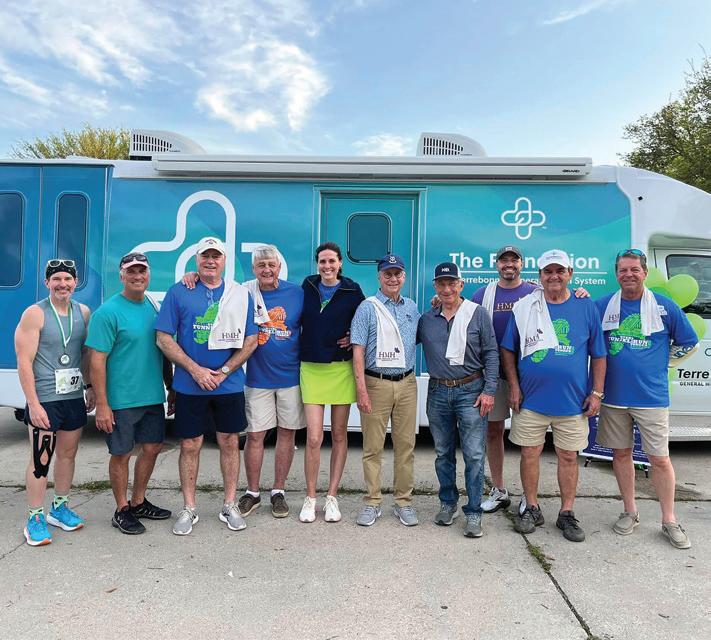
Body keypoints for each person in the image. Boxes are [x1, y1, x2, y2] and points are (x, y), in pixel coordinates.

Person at [500, 249, 606, 542]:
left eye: (560, 270)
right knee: (529, 453)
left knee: (568, 456)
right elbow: (508, 349)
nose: (554, 276)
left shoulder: (586, 307)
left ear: (570, 273)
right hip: (531, 400)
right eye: (548, 271)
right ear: (540, 276)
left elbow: (599, 354)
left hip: (572, 401)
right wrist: (514, 385)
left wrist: (597, 392)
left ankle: (567, 512)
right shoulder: (525, 307)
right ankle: (531, 507)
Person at [596, 249, 699, 549]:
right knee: (620, 455)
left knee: (659, 459)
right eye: (623, 270)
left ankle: (669, 520)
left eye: (634, 269)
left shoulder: (665, 306)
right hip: (614, 397)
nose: (628, 274)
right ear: (616, 274)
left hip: (651, 398)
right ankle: (630, 511)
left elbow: (689, 341)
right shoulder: (603, 305)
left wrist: (662, 363)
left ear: (644, 272)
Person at [156, 237, 258, 535]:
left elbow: (251, 340)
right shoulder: (179, 291)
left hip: (229, 385)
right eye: (205, 256)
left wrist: (224, 371)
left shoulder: (240, 294)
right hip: (190, 385)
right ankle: (189, 508)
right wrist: (195, 370)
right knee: (190, 445)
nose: (210, 261)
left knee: (229, 442)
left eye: (216, 256)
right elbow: (163, 338)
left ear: (224, 260)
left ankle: (229, 504)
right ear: (196, 260)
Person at [86, 252, 174, 535]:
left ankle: (138, 502)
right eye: (132, 272)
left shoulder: (153, 306)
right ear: (121, 276)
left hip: (152, 397)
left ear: (149, 275)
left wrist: (170, 386)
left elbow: (163, 351)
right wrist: (102, 404)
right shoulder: (107, 312)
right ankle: (122, 509)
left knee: (152, 448)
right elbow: (96, 360)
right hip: (120, 400)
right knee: (122, 453)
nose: (138, 276)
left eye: (142, 271)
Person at [14, 259, 94, 546]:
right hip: (45, 399)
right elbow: (24, 362)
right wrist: (33, 404)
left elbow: (85, 354)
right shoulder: (35, 314)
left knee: (68, 455)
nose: (63, 284)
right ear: (47, 282)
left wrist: (89, 386)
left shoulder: (83, 312)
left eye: (67, 279)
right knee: (41, 460)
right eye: (56, 279)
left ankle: (59, 508)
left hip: (72, 397)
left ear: (75, 283)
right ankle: (35, 517)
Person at [418, 262, 499, 537]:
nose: (447, 289)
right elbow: (400, 339)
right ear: (435, 287)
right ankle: (448, 502)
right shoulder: (427, 319)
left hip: (471, 392)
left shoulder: (477, 314)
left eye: (452, 283)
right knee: (443, 453)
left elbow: (491, 353)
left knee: (474, 455)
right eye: (441, 284)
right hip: (438, 392)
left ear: (461, 285)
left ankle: (474, 512)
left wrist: (489, 391)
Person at [351, 254, 420, 527]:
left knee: (406, 447)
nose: (393, 279)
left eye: (397, 274)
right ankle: (372, 501)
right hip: (376, 383)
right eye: (387, 274)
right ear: (379, 277)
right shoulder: (367, 308)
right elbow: (357, 351)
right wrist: (361, 390)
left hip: (407, 383)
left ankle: (403, 502)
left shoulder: (412, 307)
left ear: (404, 277)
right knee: (373, 447)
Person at [237, 245, 306, 519]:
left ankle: (278, 491)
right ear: (254, 269)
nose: (266, 270)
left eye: (271, 265)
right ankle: (252, 493)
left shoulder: (297, 293)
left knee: (287, 433)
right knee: (255, 435)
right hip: (257, 378)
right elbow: (214, 290)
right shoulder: (244, 292)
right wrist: (192, 277)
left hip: (291, 377)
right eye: (261, 265)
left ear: (279, 267)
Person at [299, 242, 364, 523]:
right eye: (322, 261)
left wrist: (354, 336)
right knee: (314, 437)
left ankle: (332, 497)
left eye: (331, 261)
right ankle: (310, 498)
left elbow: (367, 320)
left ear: (340, 264)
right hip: (311, 368)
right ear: (317, 264)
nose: (327, 266)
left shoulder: (352, 290)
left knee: (339, 434)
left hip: (341, 368)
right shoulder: (306, 287)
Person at [472, 246, 537, 514]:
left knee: (529, 439)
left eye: (514, 260)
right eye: (504, 260)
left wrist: (580, 292)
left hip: (528, 376)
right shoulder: (483, 294)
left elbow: (562, 301)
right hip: (493, 376)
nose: (509, 264)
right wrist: (439, 302)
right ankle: (499, 490)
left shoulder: (536, 292)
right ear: (497, 264)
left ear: (522, 264)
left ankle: (529, 496)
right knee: (493, 432)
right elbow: (464, 317)